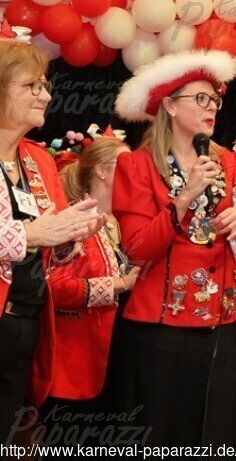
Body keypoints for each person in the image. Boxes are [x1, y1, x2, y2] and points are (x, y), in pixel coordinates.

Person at [112, 49, 236, 446]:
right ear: (169, 105)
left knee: (223, 435)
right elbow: (136, 250)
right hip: (163, 331)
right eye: (200, 98)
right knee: (168, 435)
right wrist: (183, 198)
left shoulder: (229, 163)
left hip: (224, 325)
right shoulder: (138, 166)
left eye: (214, 99)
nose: (211, 106)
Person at [0, 23, 102, 444]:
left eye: (45, 86)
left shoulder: (39, 160)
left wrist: (70, 235)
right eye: (32, 86)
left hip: (27, 325)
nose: (45, 95)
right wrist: (30, 234)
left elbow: (53, 247)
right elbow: (33, 234)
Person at [42, 137, 139, 433]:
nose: (135, 171)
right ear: (100, 170)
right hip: (75, 363)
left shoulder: (129, 223)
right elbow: (54, 287)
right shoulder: (75, 219)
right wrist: (119, 284)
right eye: (127, 164)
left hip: (121, 360)